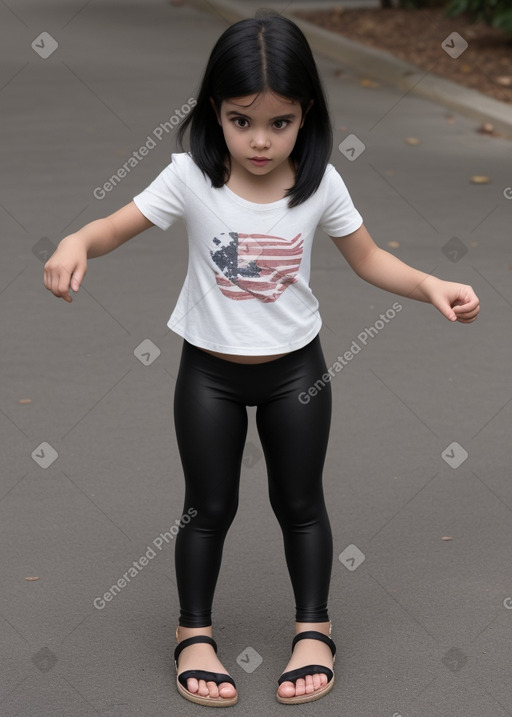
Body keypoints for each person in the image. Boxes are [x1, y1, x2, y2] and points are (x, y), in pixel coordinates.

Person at [43, 12, 480, 708]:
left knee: (300, 503)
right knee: (207, 506)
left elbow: (367, 258)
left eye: (280, 123)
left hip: (295, 375)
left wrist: (429, 283)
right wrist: (75, 241)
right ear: (214, 110)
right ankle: (194, 631)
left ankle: (315, 627)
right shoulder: (190, 178)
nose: (259, 139)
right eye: (241, 119)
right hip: (208, 375)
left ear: (307, 116)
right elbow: (111, 226)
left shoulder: (319, 185)